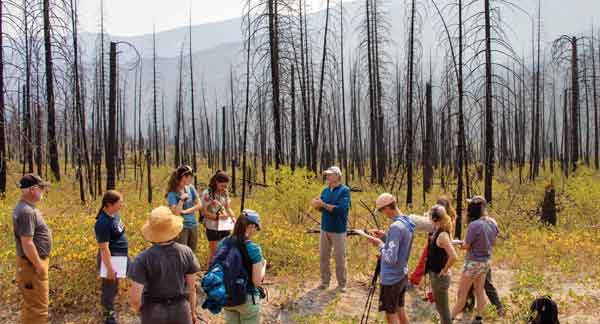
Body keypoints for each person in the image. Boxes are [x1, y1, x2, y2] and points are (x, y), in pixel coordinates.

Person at [128, 206, 201, 324]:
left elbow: (135, 299)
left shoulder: (143, 258)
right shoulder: (186, 252)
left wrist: (141, 312)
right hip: (181, 311)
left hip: (153, 312)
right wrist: (192, 312)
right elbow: (192, 288)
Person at [361, 193, 415, 324]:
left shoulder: (395, 227)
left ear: (387, 208)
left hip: (391, 279)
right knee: (400, 309)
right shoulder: (407, 221)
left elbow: (391, 258)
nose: (382, 213)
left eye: (381, 210)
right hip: (402, 274)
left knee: (391, 315)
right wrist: (385, 237)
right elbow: (401, 245)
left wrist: (379, 245)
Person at [451, 196, 499, 324]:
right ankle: (478, 319)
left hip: (473, 263)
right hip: (486, 262)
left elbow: (466, 246)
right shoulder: (492, 222)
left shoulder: (474, 225)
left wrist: (460, 244)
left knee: (461, 295)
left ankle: (447, 320)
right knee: (479, 291)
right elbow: (493, 243)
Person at [12, 174, 51, 324]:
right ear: (33, 189)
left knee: (31, 306)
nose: (43, 191)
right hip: (32, 266)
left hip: (30, 264)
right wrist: (39, 265)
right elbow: (27, 242)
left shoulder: (25, 208)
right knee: (38, 308)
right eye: (41, 188)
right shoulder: (26, 211)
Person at [218, 210, 267, 324]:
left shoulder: (223, 243)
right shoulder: (254, 249)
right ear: (250, 226)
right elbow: (257, 282)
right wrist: (263, 265)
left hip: (228, 298)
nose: (255, 231)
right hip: (248, 299)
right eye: (256, 228)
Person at [310, 166, 351, 292]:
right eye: (326, 174)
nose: (327, 176)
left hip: (338, 230)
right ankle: (325, 282)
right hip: (325, 228)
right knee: (323, 257)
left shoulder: (344, 191)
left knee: (339, 257)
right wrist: (317, 205)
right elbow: (322, 208)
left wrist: (323, 205)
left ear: (337, 176)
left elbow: (341, 209)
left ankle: (342, 284)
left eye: (329, 174)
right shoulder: (325, 190)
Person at [94, 190, 128, 324]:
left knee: (114, 287)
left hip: (120, 257)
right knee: (109, 288)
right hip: (110, 259)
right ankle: (108, 316)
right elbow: (103, 248)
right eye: (120, 203)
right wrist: (109, 268)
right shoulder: (102, 222)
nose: (122, 205)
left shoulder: (115, 215)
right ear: (109, 204)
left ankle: (112, 309)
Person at [409, 196, 456, 288]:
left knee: (431, 265)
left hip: (440, 243)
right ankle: (414, 281)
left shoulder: (449, 217)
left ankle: (418, 283)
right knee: (425, 263)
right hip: (433, 241)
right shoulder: (437, 214)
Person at [425, 205, 458, 324]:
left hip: (440, 278)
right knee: (440, 308)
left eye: (429, 217)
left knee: (444, 312)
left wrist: (444, 270)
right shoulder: (438, 231)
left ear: (434, 219)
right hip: (436, 277)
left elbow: (454, 256)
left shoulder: (442, 235)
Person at [201, 170, 236, 266]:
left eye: (226, 186)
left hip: (225, 226)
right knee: (214, 252)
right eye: (222, 186)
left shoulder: (225, 192)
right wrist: (218, 217)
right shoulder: (207, 193)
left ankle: (221, 273)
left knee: (225, 251)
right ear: (216, 182)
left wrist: (233, 218)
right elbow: (204, 213)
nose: (224, 188)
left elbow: (228, 208)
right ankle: (209, 274)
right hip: (213, 227)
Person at [166, 165, 202, 251]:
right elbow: (176, 213)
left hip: (193, 225)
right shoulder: (172, 193)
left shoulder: (190, 188)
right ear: (183, 177)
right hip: (181, 227)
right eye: (190, 177)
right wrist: (181, 200)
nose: (191, 179)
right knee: (182, 253)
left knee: (192, 253)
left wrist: (186, 211)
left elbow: (200, 204)